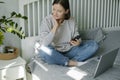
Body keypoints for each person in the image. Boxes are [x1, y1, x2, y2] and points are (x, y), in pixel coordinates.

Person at [37, 0, 98, 67]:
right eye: (54, 9)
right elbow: (44, 43)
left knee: (93, 45)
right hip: (55, 51)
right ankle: (70, 62)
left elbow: (76, 35)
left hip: (70, 50)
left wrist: (78, 42)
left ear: (66, 11)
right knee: (43, 50)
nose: (55, 13)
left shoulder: (72, 20)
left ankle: (68, 61)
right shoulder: (47, 21)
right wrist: (55, 27)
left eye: (59, 11)